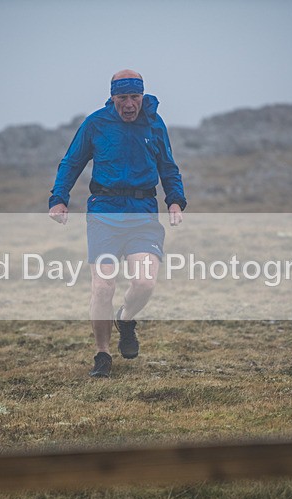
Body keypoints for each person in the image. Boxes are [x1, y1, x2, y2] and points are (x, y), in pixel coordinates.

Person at [48, 69, 187, 378]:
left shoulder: (154, 124)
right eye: (122, 97)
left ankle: (125, 319)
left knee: (144, 283)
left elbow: (168, 165)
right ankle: (102, 354)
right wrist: (59, 198)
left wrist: (175, 199)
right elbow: (71, 162)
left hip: (143, 213)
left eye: (134, 97)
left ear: (142, 95)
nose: (129, 104)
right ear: (112, 97)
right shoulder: (96, 123)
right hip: (104, 213)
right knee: (102, 286)